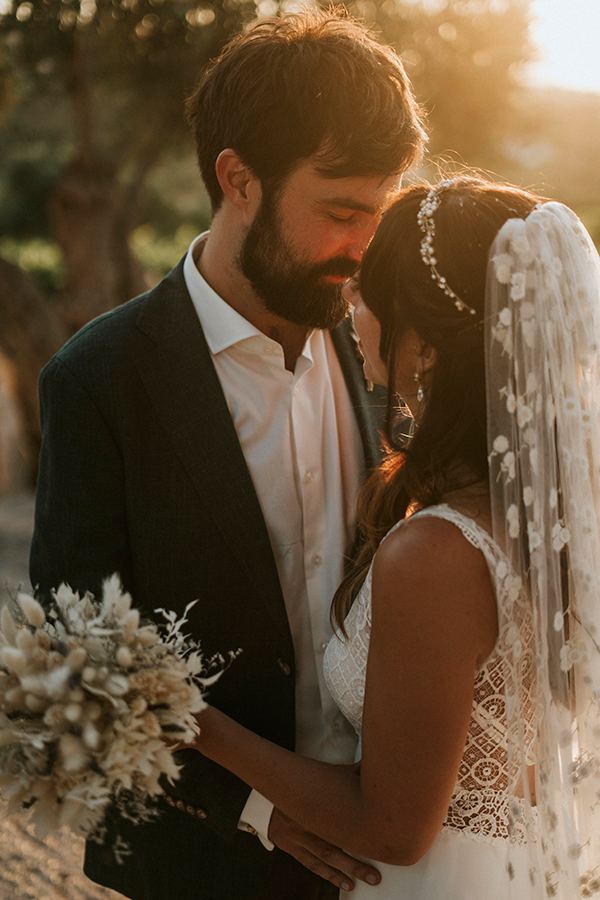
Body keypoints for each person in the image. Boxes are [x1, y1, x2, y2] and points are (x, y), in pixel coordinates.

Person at [29, 9, 426, 900]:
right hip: (206, 864)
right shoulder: (98, 381)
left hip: (397, 860)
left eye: (381, 212)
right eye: (339, 212)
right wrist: (260, 809)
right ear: (238, 178)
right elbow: (81, 668)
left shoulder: (390, 346)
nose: (365, 247)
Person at [186, 175, 600, 899]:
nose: (350, 301)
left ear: (428, 346)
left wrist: (192, 722)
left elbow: (392, 829)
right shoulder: (554, 513)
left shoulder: (438, 554)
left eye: (369, 288)